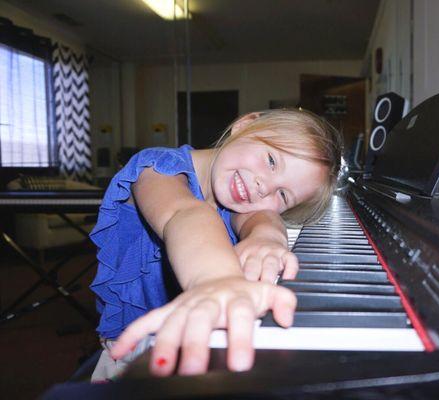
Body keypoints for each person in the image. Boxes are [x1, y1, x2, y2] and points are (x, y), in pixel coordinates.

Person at [89, 109, 343, 381]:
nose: (263, 187)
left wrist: (267, 238)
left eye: (283, 194)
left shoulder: (242, 201)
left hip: (197, 346)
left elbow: (262, 218)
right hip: (134, 353)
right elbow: (184, 214)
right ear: (245, 125)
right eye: (271, 161)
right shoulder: (156, 170)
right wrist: (217, 279)